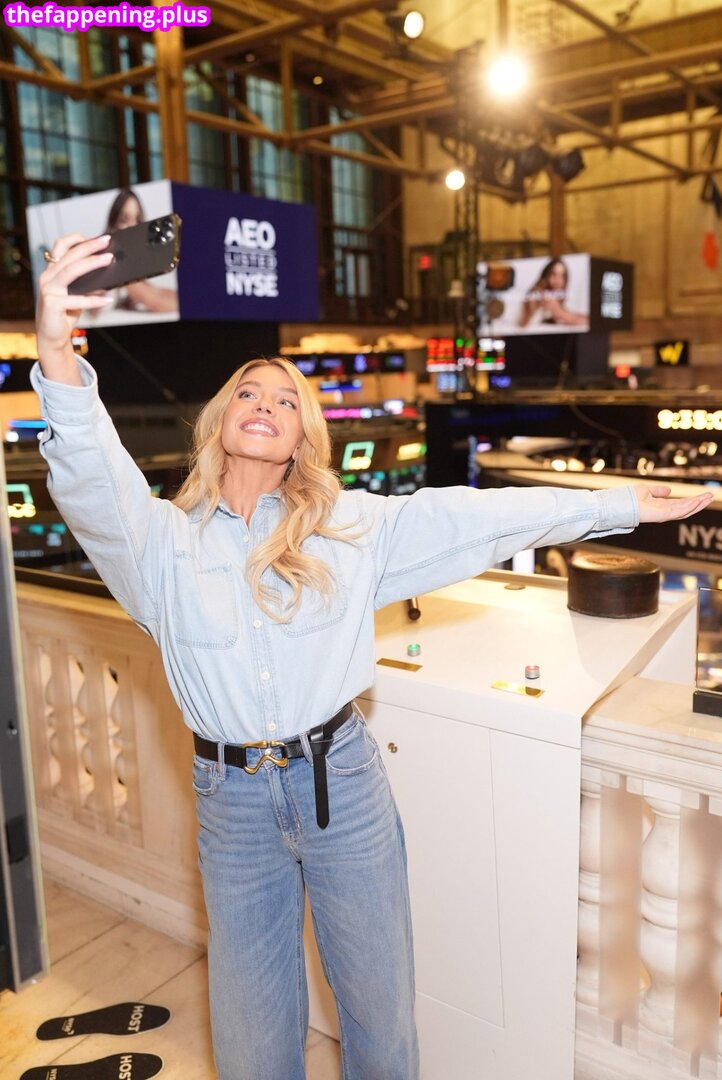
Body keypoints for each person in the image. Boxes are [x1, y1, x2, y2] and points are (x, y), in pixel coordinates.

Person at [33, 232, 713, 1080]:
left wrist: (621, 503)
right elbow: (92, 476)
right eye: (247, 391)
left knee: (381, 1020)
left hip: (343, 785)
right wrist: (55, 342)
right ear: (219, 422)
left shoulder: (351, 529)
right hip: (230, 805)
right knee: (250, 1036)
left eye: (286, 401)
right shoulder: (158, 545)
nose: (265, 403)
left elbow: (480, 518)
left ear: (300, 440)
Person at [96, 187, 178, 315]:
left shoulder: (128, 260)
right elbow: (158, 303)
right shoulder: (113, 260)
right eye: (124, 220)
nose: (133, 226)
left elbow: (158, 292)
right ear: (113, 225)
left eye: (138, 220)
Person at [519, 257, 588, 328]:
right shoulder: (543, 295)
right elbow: (571, 319)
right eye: (553, 274)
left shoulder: (550, 296)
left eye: (562, 276)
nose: (558, 280)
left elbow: (569, 314)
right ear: (546, 275)